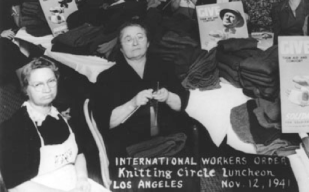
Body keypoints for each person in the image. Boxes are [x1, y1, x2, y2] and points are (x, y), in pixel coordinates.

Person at [0, 58, 109, 192]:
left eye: (51, 81)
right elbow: (15, 184)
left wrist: (82, 179)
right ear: (25, 89)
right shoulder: (15, 126)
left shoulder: (62, 115)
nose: (47, 89)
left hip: (73, 181)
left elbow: (79, 153)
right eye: (38, 84)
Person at [92, 23, 191, 161]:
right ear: (120, 47)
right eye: (128, 39)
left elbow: (181, 104)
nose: (135, 43)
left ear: (148, 42)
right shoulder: (107, 78)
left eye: (140, 37)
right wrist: (133, 103)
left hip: (168, 138)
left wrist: (167, 96)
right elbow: (104, 122)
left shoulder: (165, 67)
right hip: (130, 144)